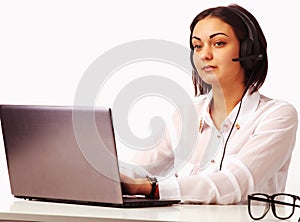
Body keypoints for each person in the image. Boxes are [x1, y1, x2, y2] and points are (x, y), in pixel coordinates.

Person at [120, 3, 298, 204]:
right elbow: (139, 168)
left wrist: (151, 189)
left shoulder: (277, 115)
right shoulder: (187, 113)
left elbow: (234, 184)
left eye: (219, 43)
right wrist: (99, 169)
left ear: (249, 50)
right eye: (198, 46)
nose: (205, 55)